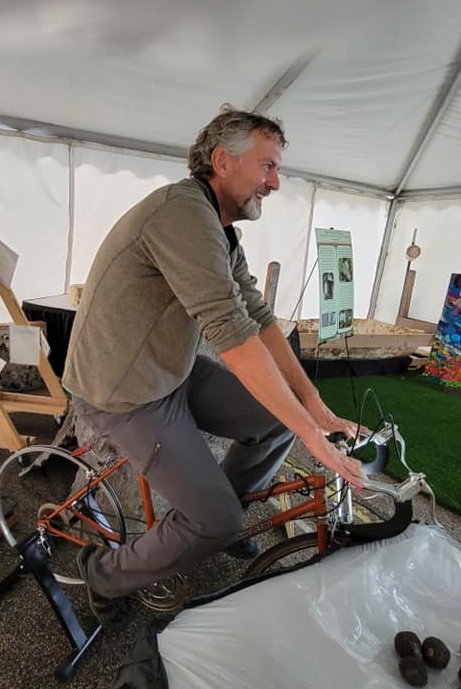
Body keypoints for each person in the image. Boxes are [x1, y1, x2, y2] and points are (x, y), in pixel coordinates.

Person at [62, 105, 365, 626]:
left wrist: (312, 407)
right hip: (125, 390)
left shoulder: (220, 229)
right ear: (222, 161)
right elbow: (230, 331)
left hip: (170, 371)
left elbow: (258, 316)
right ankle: (104, 573)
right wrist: (309, 432)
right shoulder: (182, 214)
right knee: (217, 519)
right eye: (267, 166)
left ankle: (213, 519)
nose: (275, 182)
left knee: (275, 422)